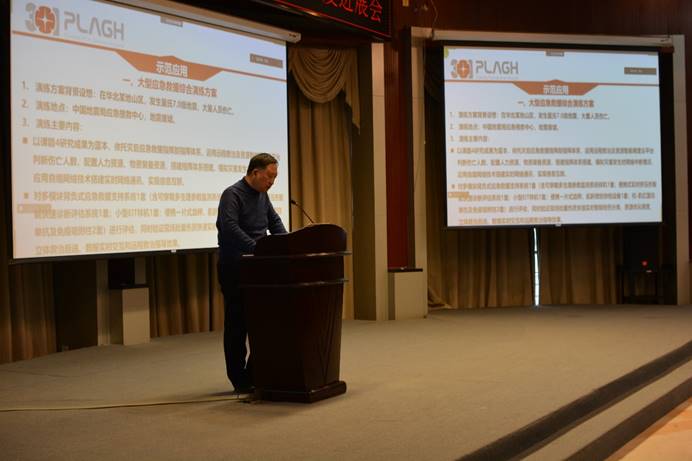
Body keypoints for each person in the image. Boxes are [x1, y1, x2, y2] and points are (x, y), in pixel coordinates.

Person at [216, 153, 287, 393]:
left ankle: (256, 373)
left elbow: (274, 223)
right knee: (238, 324)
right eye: (269, 177)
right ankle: (239, 380)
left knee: (265, 322)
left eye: (275, 177)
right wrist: (257, 248)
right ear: (255, 172)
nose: (272, 182)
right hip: (235, 267)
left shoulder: (262, 195)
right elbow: (229, 228)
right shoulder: (232, 194)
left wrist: (288, 244)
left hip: (259, 267)